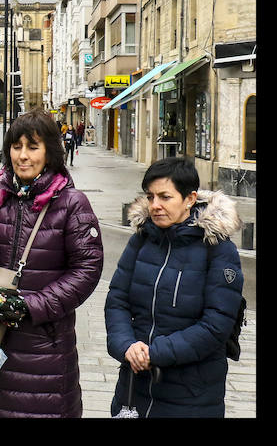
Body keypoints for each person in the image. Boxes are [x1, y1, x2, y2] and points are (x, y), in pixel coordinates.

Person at [0, 108, 103, 418]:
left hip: (43, 348)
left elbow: (86, 270)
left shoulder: (72, 204)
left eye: (33, 147)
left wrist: (29, 306)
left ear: (49, 151)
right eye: (16, 147)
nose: (23, 156)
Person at [105, 157, 244, 417]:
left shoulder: (218, 249)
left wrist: (155, 353)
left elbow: (217, 324)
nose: (155, 205)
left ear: (190, 199)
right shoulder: (141, 241)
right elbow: (117, 300)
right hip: (134, 388)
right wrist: (126, 345)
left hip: (191, 395)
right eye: (150, 197)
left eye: (165, 197)